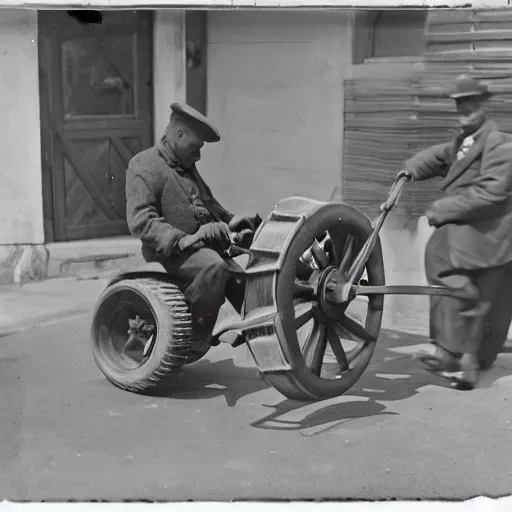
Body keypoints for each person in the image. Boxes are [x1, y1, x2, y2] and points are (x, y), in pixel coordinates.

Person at [399, 74, 512, 390]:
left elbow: (492, 193)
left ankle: (455, 353)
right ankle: (461, 358)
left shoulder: (499, 143)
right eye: (460, 103)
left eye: (472, 103)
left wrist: (441, 210)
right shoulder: (466, 140)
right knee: (478, 294)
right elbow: (439, 157)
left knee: (446, 265)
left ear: (483, 105)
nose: (465, 109)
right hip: (479, 229)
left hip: (492, 232)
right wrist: (410, 168)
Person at [125, 102, 261, 344]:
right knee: (214, 268)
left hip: (200, 248)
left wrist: (232, 221)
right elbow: (141, 221)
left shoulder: (186, 166)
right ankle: (189, 338)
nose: (198, 154)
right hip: (168, 253)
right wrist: (188, 238)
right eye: (195, 147)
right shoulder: (143, 165)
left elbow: (208, 205)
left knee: (246, 275)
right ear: (179, 134)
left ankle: (262, 331)